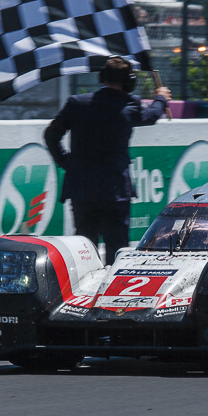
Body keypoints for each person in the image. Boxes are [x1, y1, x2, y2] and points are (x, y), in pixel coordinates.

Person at [44, 56, 171, 266]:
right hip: (115, 192)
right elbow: (151, 115)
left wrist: (66, 162)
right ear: (129, 82)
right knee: (117, 250)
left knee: (85, 249)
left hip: (82, 188)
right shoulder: (130, 104)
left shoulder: (77, 103)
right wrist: (161, 98)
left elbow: (51, 135)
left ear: (102, 77)